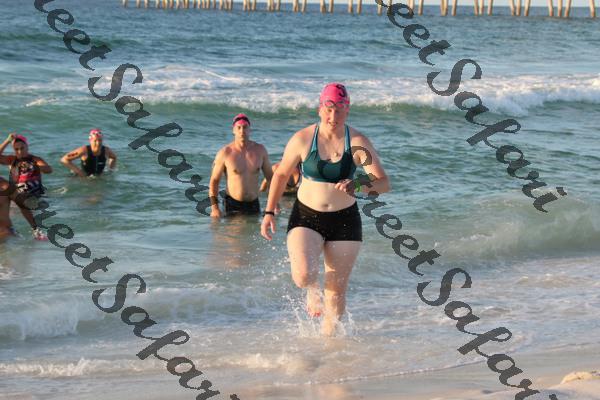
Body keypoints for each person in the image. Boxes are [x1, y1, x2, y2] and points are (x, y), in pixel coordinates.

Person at [260, 83, 390, 336]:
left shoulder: (358, 142)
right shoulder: (303, 139)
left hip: (345, 220)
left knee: (336, 291)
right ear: (320, 109)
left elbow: (383, 183)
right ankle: (312, 290)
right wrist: (269, 211)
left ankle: (329, 343)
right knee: (303, 276)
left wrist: (358, 184)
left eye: (339, 109)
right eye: (329, 109)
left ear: (347, 110)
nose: (333, 115)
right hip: (306, 216)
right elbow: (281, 175)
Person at [209, 113, 273, 217]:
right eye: (238, 127)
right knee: (233, 228)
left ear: (250, 130)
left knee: (255, 228)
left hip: (254, 203)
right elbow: (214, 181)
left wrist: (273, 205)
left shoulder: (260, 150)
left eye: (245, 127)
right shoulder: (225, 153)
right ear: (233, 130)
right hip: (232, 204)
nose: (242, 131)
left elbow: (271, 179)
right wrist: (214, 208)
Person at [0, 133, 52, 240]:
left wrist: (35, 166)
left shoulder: (35, 159)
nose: (20, 151)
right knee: (14, 208)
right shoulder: (12, 160)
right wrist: (7, 141)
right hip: (19, 193)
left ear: (27, 146)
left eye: (22, 148)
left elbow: (48, 169)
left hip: (35, 194)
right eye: (16, 149)